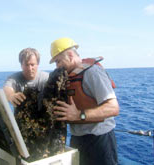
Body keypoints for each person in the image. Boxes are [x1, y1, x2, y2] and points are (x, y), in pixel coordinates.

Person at [49, 37, 120, 165]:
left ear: (70, 55)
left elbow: (113, 108)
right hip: (78, 139)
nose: (57, 66)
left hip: (100, 140)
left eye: (58, 61)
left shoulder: (93, 73)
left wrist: (79, 114)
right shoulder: (68, 77)